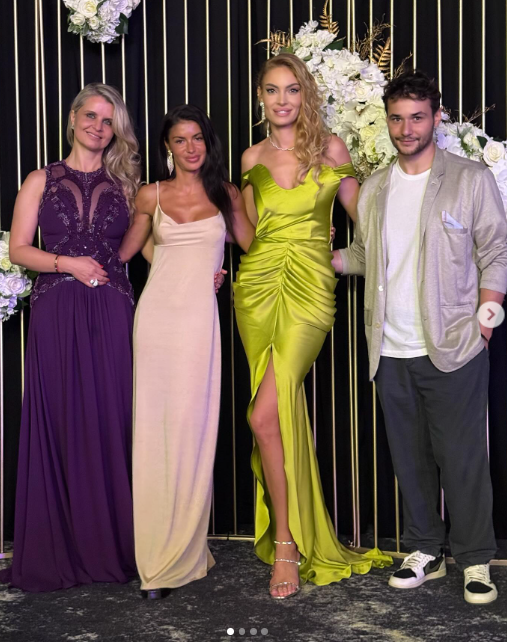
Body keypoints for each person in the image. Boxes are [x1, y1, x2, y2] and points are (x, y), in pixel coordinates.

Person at [334, 70, 507, 604]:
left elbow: (496, 251)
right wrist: (313, 257)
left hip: (454, 345)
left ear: (437, 118)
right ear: (387, 121)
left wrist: (485, 320)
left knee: (462, 460)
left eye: (416, 117)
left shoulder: (470, 179)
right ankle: (425, 550)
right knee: (408, 459)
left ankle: (475, 559)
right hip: (389, 348)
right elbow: (364, 256)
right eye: (397, 118)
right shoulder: (376, 189)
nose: (406, 129)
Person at [234, 53, 392, 600]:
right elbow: (250, 234)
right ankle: (290, 535)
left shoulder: (332, 150)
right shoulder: (251, 156)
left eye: (292, 89)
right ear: (261, 96)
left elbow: (368, 221)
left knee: (262, 415)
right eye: (272, 90)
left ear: (306, 95)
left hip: (310, 289)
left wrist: (338, 253)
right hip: (257, 289)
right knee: (276, 417)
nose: (282, 100)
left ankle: (286, 543)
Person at [2, 83, 140, 591]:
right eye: (91, 116)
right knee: (60, 419)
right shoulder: (40, 179)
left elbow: (149, 244)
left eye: (108, 121)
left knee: (110, 419)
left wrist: (201, 270)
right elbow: (19, 250)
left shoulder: (129, 184)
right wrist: (68, 264)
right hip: (57, 311)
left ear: (116, 131)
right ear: (73, 118)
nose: (98, 127)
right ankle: (59, 546)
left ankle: (109, 545)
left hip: (112, 311)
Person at [119, 104, 254, 599]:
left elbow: (255, 245)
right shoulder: (149, 194)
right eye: (180, 140)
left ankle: (186, 550)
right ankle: (156, 559)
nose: (190, 147)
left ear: (207, 142)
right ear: (168, 147)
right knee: (154, 434)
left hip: (199, 324)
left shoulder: (227, 194)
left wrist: (309, 234)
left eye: (197, 138)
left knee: (192, 431)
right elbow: (127, 252)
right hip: (156, 322)